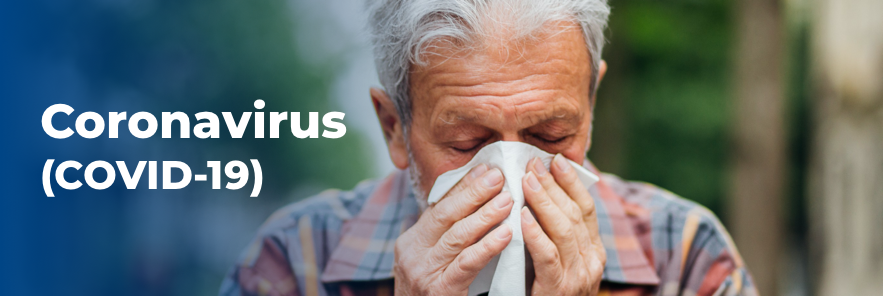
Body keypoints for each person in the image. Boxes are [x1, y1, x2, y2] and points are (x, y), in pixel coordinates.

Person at [220, 0, 757, 295]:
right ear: (393, 128)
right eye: (466, 142)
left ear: (591, 104)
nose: (510, 172)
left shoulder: (684, 259)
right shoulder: (294, 262)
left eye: (551, 136)